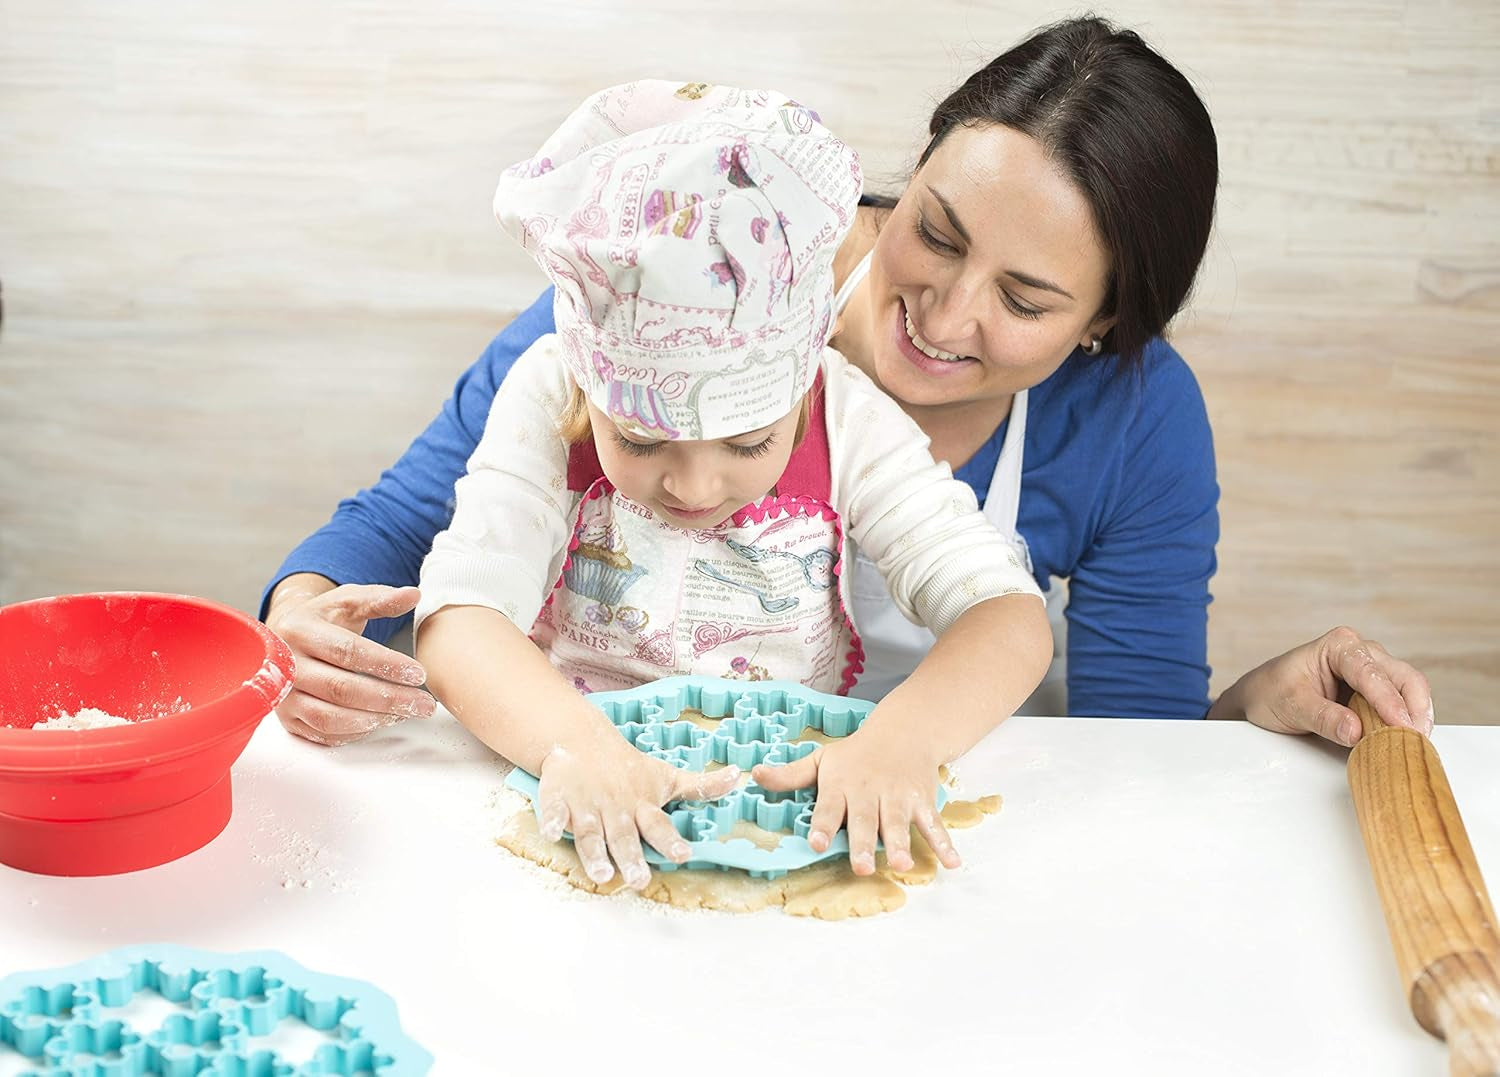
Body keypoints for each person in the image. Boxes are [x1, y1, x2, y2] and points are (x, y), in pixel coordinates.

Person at [262, 17, 1432, 754]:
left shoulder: (1136, 418)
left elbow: (1133, 749)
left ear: (1106, 322)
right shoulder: (683, 284)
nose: (944, 314)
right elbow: (408, 532)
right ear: (908, 174)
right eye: (935, 231)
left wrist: (1250, 718)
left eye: (1025, 301)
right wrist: (303, 611)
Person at [414, 81, 1051, 889]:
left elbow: (1007, 616)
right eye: (641, 438)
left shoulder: (846, 416)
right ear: (588, 377)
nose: (693, 483)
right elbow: (458, 620)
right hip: (573, 801)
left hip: (780, 824)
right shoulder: (548, 393)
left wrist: (906, 739)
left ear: (801, 384)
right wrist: (571, 745)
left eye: (750, 442)